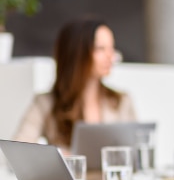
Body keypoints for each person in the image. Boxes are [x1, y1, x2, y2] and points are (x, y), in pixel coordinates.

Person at [13, 16, 136, 152]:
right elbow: (18, 152)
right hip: (68, 174)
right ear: (77, 53)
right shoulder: (45, 103)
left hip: (110, 174)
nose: (110, 56)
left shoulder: (121, 101)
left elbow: (136, 154)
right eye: (100, 48)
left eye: (111, 48)